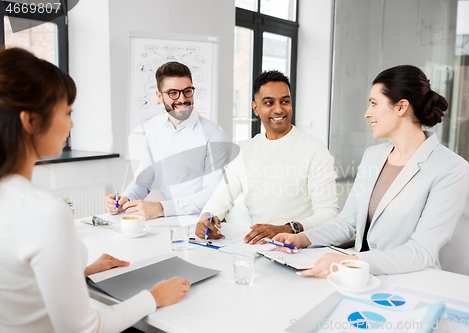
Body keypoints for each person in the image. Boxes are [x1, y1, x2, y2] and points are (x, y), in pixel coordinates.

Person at [0, 47, 190, 332]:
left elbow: (19, 286)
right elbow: (86, 328)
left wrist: (79, 272)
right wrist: (153, 297)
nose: (72, 123)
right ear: (30, 121)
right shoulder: (44, 212)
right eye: (67, 112)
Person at [274, 65, 469, 276]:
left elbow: (421, 251)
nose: (368, 114)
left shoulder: (450, 168)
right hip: (357, 277)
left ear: (401, 107)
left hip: (409, 281)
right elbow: (347, 222)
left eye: (374, 104)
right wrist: (303, 239)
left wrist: (352, 260)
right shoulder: (373, 156)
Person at [195, 70, 339, 243]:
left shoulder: (314, 149)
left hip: (301, 248)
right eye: (269, 102)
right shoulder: (244, 150)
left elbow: (328, 213)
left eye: (285, 101)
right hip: (260, 246)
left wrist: (288, 228)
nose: (278, 109)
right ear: (256, 108)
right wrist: (206, 218)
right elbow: (222, 198)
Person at [105, 61, 228, 220]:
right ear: (159, 95)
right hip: (170, 220)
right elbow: (143, 181)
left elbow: (214, 192)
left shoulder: (214, 134)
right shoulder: (153, 134)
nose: (182, 99)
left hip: (205, 223)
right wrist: (126, 199)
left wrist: (161, 208)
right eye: (173, 93)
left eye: (187, 91)